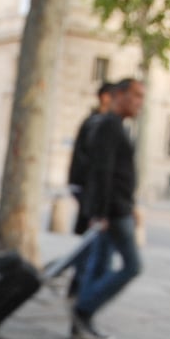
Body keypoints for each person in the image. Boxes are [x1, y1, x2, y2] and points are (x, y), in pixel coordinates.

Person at [70, 77, 145, 339]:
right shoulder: (108, 126)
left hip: (117, 209)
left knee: (98, 265)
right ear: (119, 95)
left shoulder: (116, 127)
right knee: (133, 266)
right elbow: (102, 172)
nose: (140, 103)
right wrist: (99, 213)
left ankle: (82, 321)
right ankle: (82, 310)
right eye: (136, 96)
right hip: (113, 212)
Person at [66, 81, 114, 300]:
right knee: (94, 241)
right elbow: (97, 164)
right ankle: (81, 290)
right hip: (88, 189)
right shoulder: (99, 123)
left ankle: (77, 284)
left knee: (91, 239)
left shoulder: (97, 121)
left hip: (86, 188)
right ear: (106, 97)